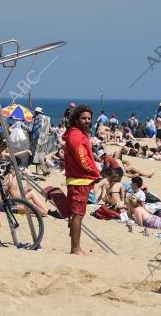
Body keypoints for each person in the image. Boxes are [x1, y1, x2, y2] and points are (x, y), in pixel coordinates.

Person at [63, 104, 100, 255]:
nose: (87, 121)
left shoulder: (77, 134)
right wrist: (95, 171)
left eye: (89, 119)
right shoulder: (76, 136)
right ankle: (75, 248)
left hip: (79, 179)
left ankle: (76, 247)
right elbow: (82, 159)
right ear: (76, 119)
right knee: (77, 214)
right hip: (79, 181)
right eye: (83, 118)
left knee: (77, 215)